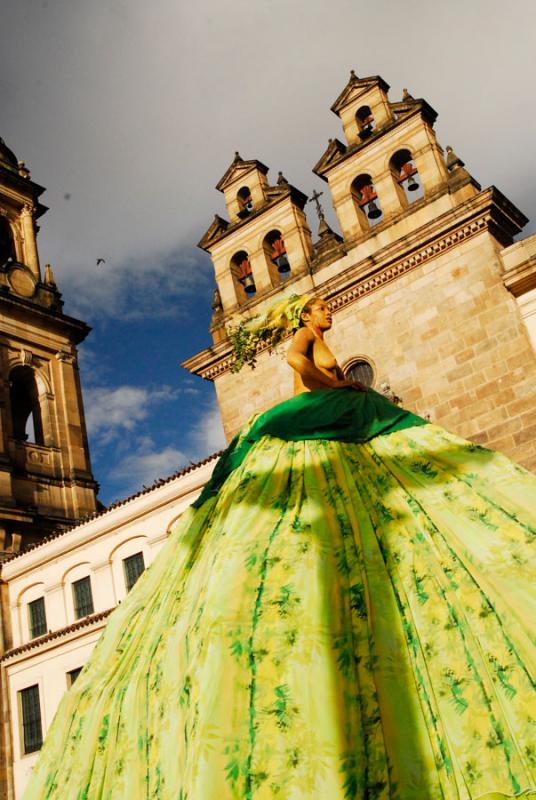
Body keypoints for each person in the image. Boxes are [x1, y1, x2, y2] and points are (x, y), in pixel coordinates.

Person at [24, 296, 536, 800]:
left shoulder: (318, 334)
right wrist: (335, 384)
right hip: (319, 420)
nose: (328, 312)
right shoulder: (306, 336)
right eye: (321, 308)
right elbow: (296, 361)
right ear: (307, 316)